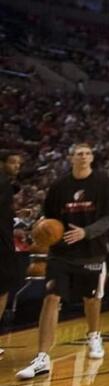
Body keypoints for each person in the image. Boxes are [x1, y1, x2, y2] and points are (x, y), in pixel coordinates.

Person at [17, 143, 109, 380]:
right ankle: (42, 357)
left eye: (87, 153)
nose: (83, 157)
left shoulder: (103, 182)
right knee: (51, 298)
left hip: (91, 251)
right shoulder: (59, 186)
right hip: (61, 252)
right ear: (71, 158)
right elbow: (48, 218)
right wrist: (40, 231)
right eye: (78, 153)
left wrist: (87, 232)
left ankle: (94, 335)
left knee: (91, 299)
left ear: (92, 158)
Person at [0, 150, 22, 360]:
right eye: (13, 162)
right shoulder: (4, 183)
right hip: (2, 246)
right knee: (3, 288)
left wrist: (15, 218)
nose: (17, 166)